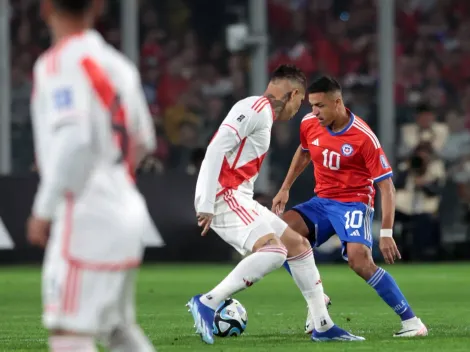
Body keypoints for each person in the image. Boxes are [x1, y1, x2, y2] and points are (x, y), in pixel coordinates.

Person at [190, 65, 364, 344]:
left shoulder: (263, 113)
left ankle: (322, 324)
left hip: (239, 197)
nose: (300, 110)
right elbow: (215, 148)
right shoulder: (255, 107)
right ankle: (208, 302)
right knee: (274, 251)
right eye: (300, 102)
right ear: (293, 93)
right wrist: (207, 202)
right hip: (226, 196)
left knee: (299, 246)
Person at [27, 1, 161, 351]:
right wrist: (113, 172)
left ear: (45, 8)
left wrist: (43, 209)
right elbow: (144, 139)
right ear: (98, 7)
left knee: (68, 334)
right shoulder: (118, 64)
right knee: (118, 330)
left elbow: (74, 142)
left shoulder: (57, 62)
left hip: (87, 213)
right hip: (126, 207)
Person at [272, 76, 428, 337]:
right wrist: (285, 188)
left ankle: (412, 322)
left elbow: (387, 187)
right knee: (279, 236)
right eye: (312, 105)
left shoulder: (363, 137)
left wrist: (386, 232)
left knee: (360, 262)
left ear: (338, 102)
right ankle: (318, 296)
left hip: (353, 204)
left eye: (320, 106)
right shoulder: (310, 123)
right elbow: (304, 152)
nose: (314, 112)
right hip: (321, 202)